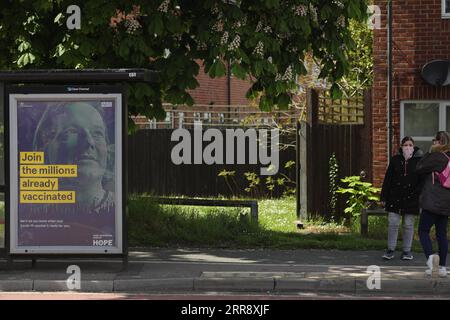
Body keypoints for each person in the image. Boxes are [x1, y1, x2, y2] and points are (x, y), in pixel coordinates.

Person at [32, 101, 114, 213]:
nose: (89, 141)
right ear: (46, 147)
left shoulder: (118, 209)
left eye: (97, 133)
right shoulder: (33, 215)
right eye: (72, 131)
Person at [380, 136, 423, 260]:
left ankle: (406, 251)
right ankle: (390, 249)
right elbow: (388, 179)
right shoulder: (395, 160)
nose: (408, 147)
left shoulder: (419, 161)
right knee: (393, 223)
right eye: (405, 145)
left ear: (413, 147)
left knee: (408, 225)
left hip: (412, 198)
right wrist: (384, 196)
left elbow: (422, 181)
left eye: (410, 145)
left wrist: (417, 194)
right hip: (395, 197)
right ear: (401, 146)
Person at [416, 131, 450, 277]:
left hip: (431, 202)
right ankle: (442, 267)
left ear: (439, 142)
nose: (433, 142)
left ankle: (431, 261)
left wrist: (430, 152)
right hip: (446, 203)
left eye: (434, 141)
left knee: (423, 231)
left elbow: (419, 167)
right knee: (442, 234)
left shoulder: (436, 156)